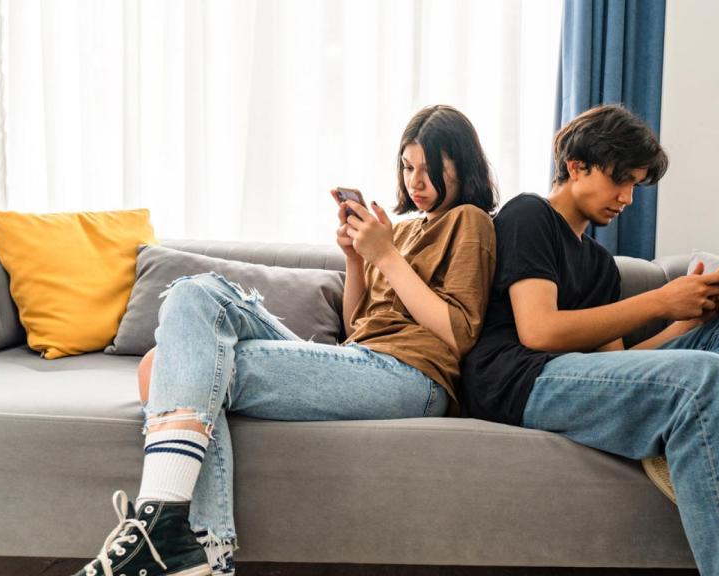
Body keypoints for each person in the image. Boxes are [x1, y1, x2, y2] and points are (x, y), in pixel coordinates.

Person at [74, 104, 497, 576]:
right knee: (191, 305)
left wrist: (386, 255)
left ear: (462, 165)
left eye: (430, 169)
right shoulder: (400, 228)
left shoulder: (469, 221)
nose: (416, 182)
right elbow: (358, 326)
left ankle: (173, 540)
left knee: (174, 367)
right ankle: (186, 545)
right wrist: (356, 259)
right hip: (361, 358)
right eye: (407, 166)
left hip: (413, 379)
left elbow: (458, 333)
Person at [461, 104, 719, 576]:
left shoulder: (599, 263)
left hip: (576, 377)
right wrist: (661, 301)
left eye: (635, 185)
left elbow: (620, 365)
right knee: (705, 378)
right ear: (576, 165)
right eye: (621, 180)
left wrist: (688, 320)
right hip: (516, 378)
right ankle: (698, 431)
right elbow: (538, 331)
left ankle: (697, 430)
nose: (628, 198)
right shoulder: (529, 215)